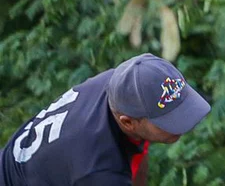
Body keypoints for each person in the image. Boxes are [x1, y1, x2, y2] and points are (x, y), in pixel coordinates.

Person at [1, 53, 211, 186]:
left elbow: (139, 149)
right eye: (168, 120)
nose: (185, 123)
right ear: (127, 122)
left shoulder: (125, 85)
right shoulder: (100, 170)